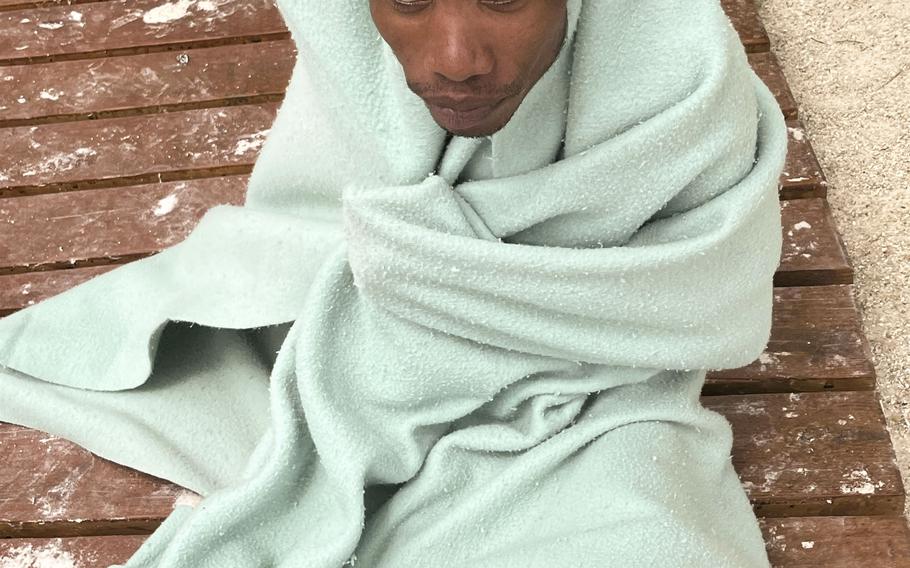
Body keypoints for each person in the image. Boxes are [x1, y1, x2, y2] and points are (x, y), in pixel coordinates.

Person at [0, 1, 787, 566]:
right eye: (408, 1)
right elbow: (317, 218)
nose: (456, 57)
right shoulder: (349, 43)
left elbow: (706, 288)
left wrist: (494, 296)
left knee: (652, 545)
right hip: (360, 332)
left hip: (601, 391)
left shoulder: (683, 88)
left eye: (505, 0)